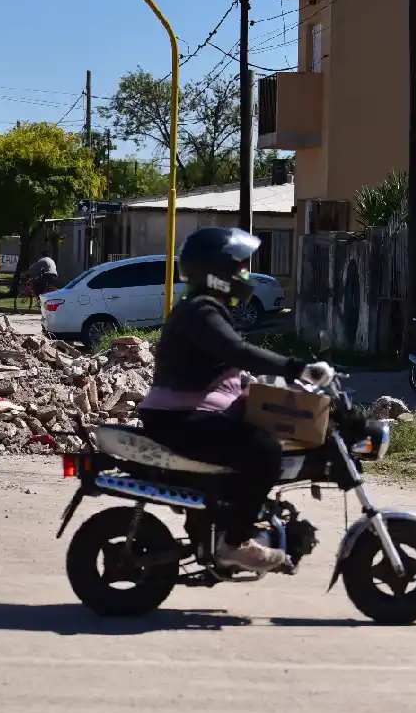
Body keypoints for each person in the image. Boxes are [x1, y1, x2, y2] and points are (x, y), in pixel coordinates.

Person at [137, 226, 335, 573]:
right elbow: (236, 351)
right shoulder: (201, 310)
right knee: (265, 450)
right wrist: (298, 369)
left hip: (186, 413)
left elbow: (223, 364)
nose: (245, 275)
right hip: (180, 418)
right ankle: (235, 542)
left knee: (256, 437)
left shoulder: (203, 308)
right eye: (238, 268)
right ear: (218, 272)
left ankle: (226, 519)